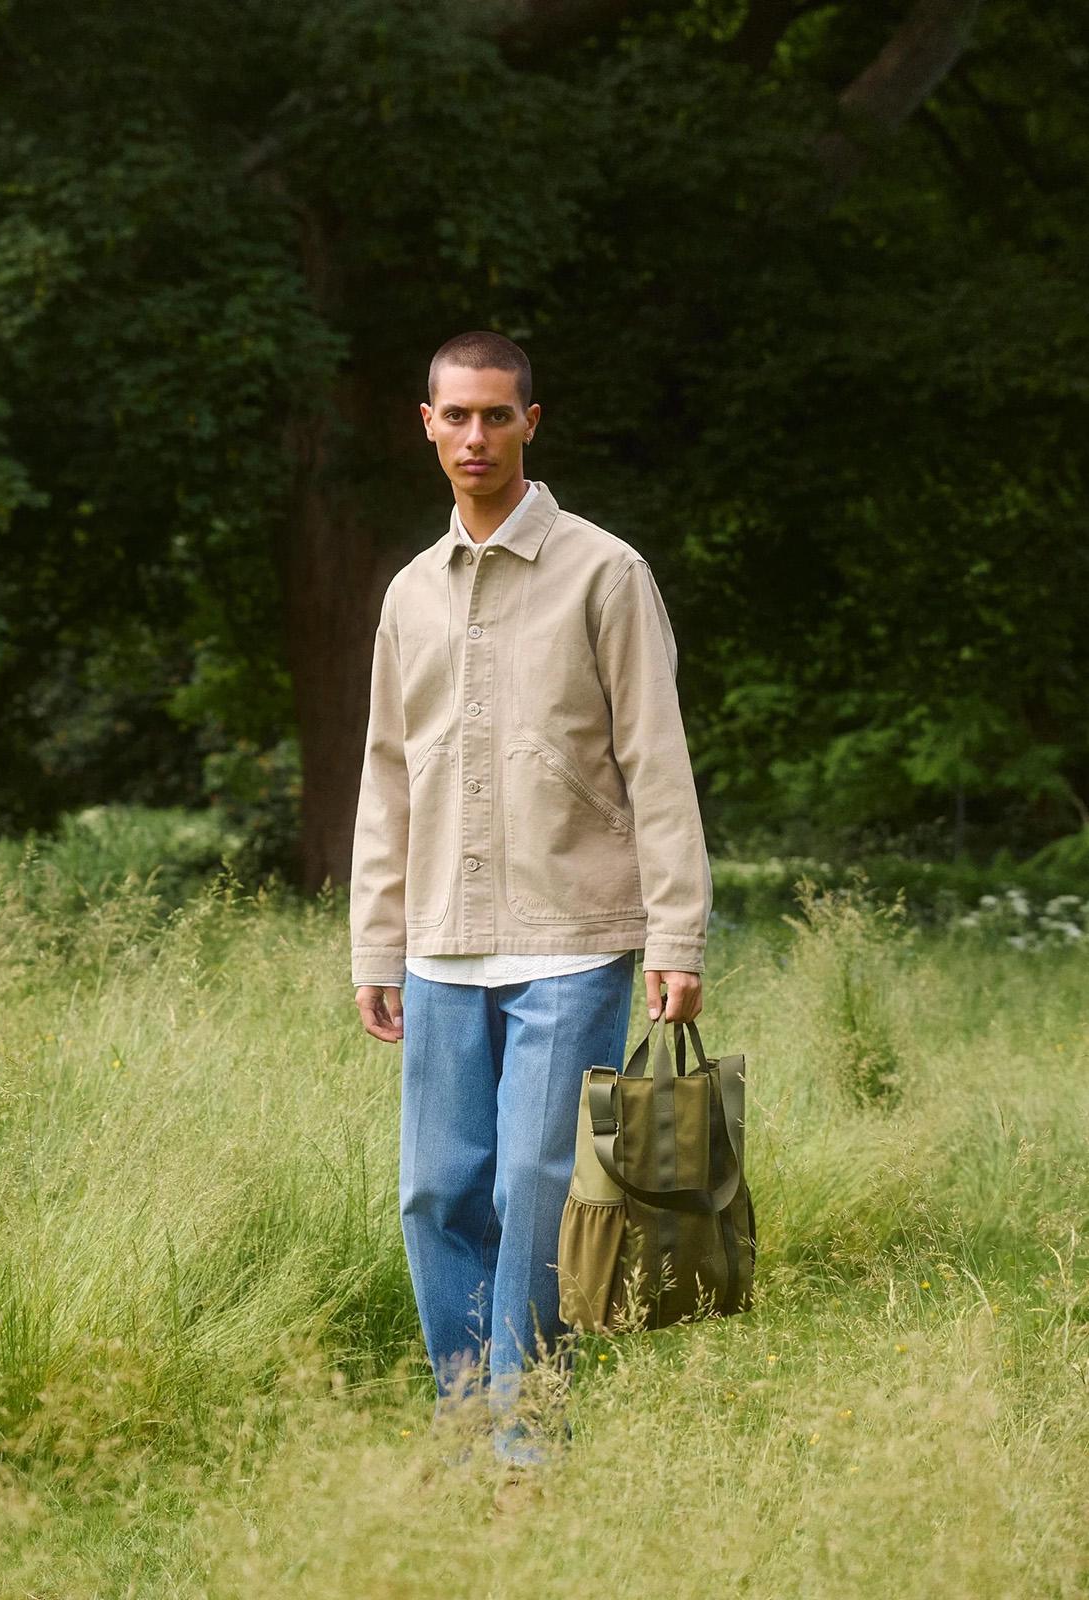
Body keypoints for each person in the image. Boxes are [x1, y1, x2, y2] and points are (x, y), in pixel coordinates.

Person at [349, 329, 712, 1470]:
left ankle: (525, 1445)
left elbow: (658, 760)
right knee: (435, 1191)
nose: (474, 437)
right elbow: (385, 776)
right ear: (426, 423)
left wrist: (677, 928)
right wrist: (376, 941)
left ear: (531, 424)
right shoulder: (410, 593)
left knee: (535, 1186)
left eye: (496, 416)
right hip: (442, 946)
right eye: (454, 416)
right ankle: (461, 1429)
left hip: (574, 936)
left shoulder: (606, 571)